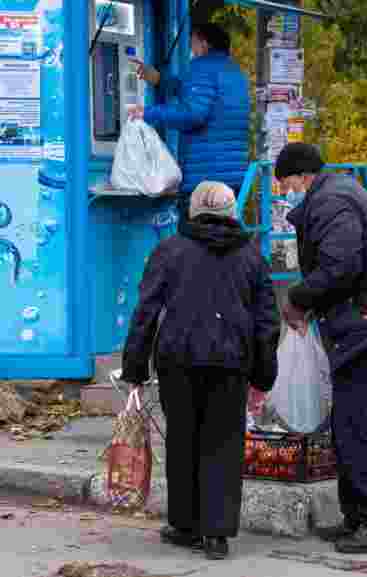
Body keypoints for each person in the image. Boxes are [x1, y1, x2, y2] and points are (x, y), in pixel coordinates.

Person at [275, 143, 367, 554]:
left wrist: (299, 298)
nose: (286, 192)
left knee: (363, 427)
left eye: (286, 183)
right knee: (348, 426)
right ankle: (357, 517)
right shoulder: (337, 194)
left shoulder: (331, 201)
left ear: (300, 175)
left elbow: (340, 267)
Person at [120, 181, 279, 560]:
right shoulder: (251, 256)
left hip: (179, 359)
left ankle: (186, 525)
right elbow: (266, 321)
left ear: (191, 211)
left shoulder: (170, 250)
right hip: (231, 362)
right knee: (223, 443)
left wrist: (135, 367)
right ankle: (217, 534)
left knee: (182, 441)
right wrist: (263, 375)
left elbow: (145, 311)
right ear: (231, 212)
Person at [129, 22, 251, 234]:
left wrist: (148, 113)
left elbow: (194, 114)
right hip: (233, 177)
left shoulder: (201, 67)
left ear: (203, 44)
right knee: (225, 245)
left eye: (192, 42)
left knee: (195, 248)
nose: (191, 48)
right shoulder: (234, 72)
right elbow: (197, 94)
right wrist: (158, 79)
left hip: (204, 179)